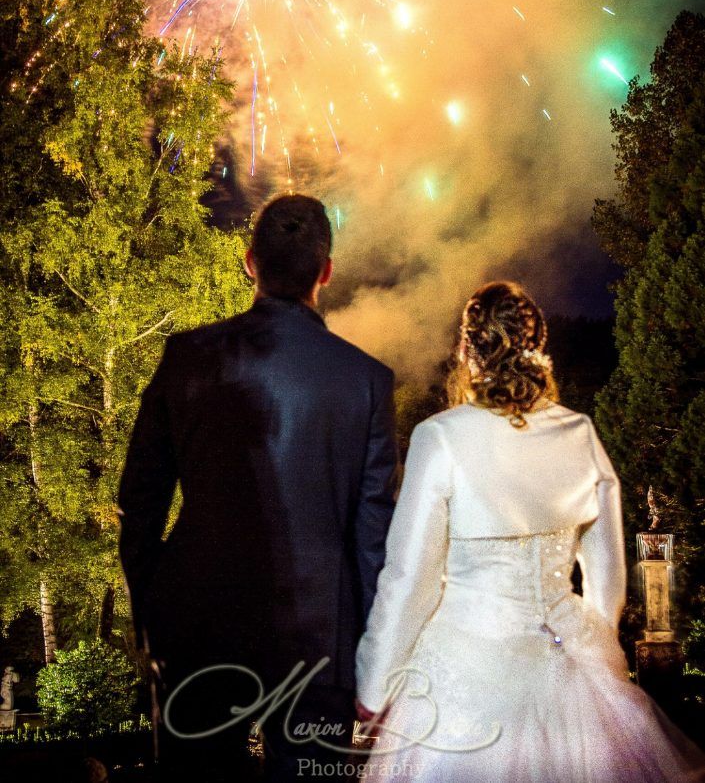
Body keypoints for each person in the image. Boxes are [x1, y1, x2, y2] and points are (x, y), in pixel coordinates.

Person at [356, 281, 705, 782]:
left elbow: (410, 578)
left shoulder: (441, 438)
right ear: (539, 352)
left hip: (465, 674)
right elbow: (606, 572)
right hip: (568, 662)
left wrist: (375, 686)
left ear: (466, 351)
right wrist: (596, 653)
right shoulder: (579, 433)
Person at [118, 194, 399, 782]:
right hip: (319, 641)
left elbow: (140, 498)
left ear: (250, 261)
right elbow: (372, 538)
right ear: (326, 270)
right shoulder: (366, 382)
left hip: (198, 627)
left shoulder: (187, 358)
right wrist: (375, 653)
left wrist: (152, 607)